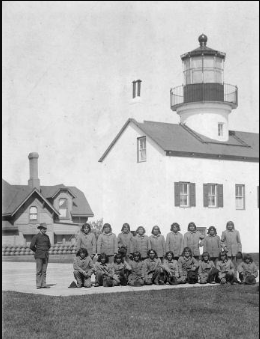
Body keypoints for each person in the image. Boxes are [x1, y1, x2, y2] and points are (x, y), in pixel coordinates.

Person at [30, 223, 51, 289]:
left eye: (46, 229)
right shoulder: (36, 236)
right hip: (39, 255)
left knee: (44, 271)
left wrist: (45, 250)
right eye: (44, 229)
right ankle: (38, 285)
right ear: (40, 229)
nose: (45, 230)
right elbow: (31, 246)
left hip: (45, 255)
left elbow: (49, 245)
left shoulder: (47, 237)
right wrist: (37, 251)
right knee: (39, 270)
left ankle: (43, 284)